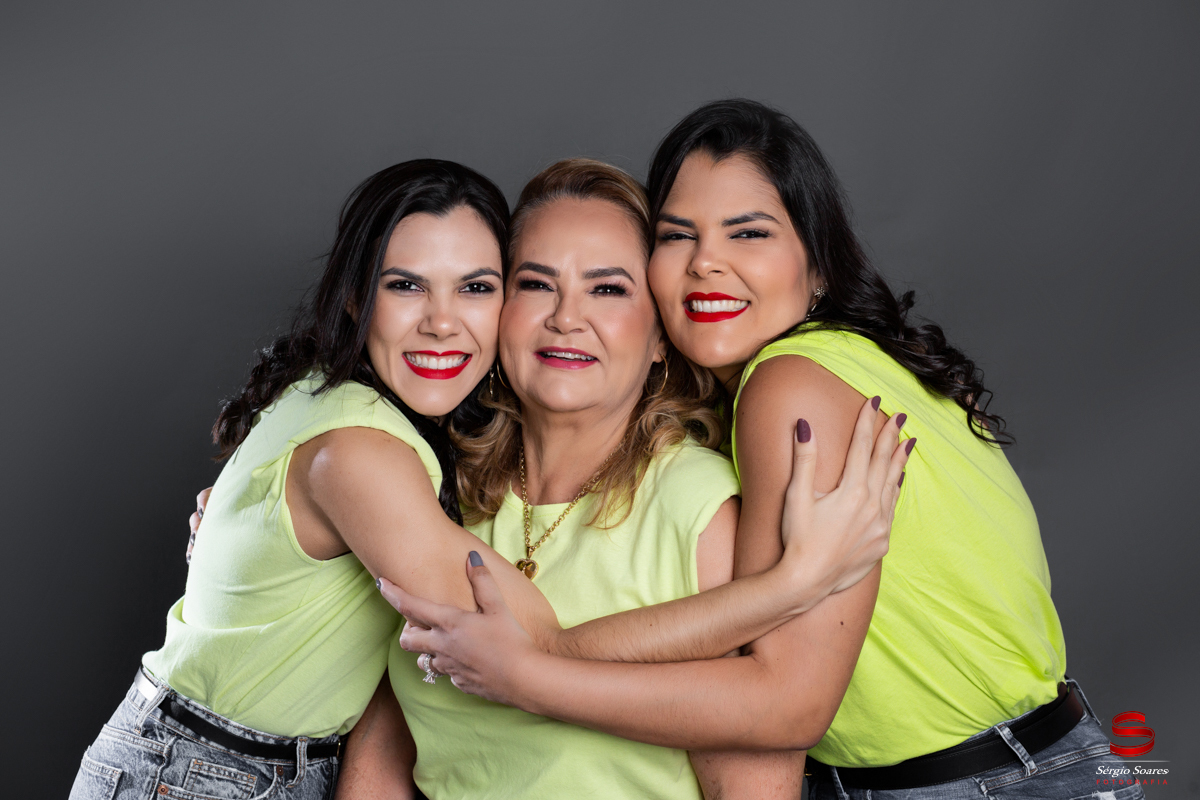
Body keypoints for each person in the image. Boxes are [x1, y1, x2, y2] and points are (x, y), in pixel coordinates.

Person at [75, 157, 904, 799]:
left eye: (608, 288)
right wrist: (792, 585)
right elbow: (387, 738)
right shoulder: (438, 487)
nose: (566, 317)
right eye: (535, 284)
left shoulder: (699, 509)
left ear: (660, 336)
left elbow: (754, 776)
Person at [388, 101, 1140, 800]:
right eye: (678, 235)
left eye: (748, 233)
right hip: (1019, 760)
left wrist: (530, 672)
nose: (706, 263)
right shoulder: (836, 367)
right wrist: (790, 585)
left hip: (984, 782)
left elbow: (785, 706)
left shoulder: (789, 385)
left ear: (819, 265)